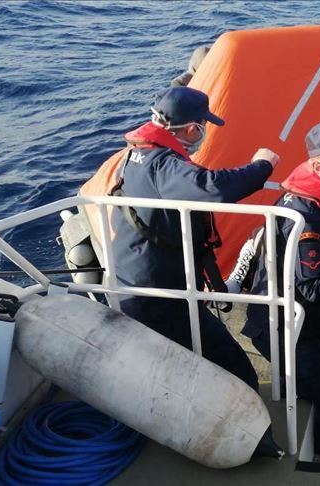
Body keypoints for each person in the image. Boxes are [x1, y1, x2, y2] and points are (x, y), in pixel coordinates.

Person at [111, 86, 278, 393]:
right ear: (191, 128)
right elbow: (213, 187)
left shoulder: (136, 154)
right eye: (203, 125)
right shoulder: (163, 166)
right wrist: (262, 166)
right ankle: (243, 412)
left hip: (137, 280)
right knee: (236, 370)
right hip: (158, 294)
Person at [241, 119, 320, 457]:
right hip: (285, 328)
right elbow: (311, 288)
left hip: (313, 321)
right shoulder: (306, 215)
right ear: (318, 166)